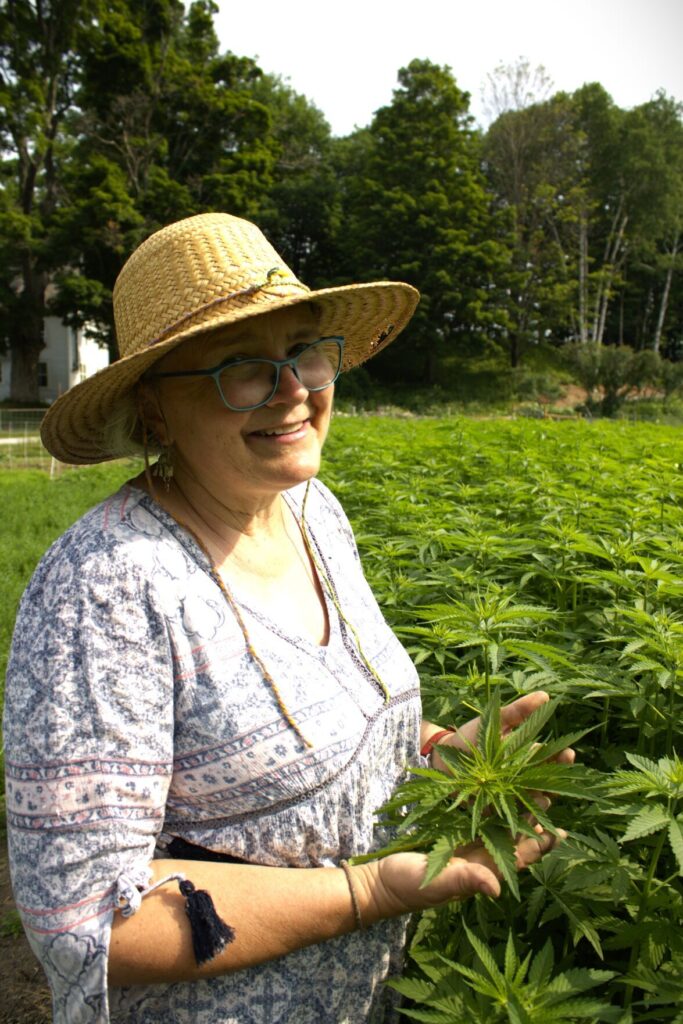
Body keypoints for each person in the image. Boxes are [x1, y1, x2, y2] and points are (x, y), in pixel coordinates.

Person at [4, 213, 571, 1024]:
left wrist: (436, 757)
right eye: (244, 369)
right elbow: (88, 922)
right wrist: (369, 889)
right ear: (155, 409)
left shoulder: (309, 508)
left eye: (306, 352)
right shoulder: (106, 589)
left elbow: (317, 716)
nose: (297, 390)